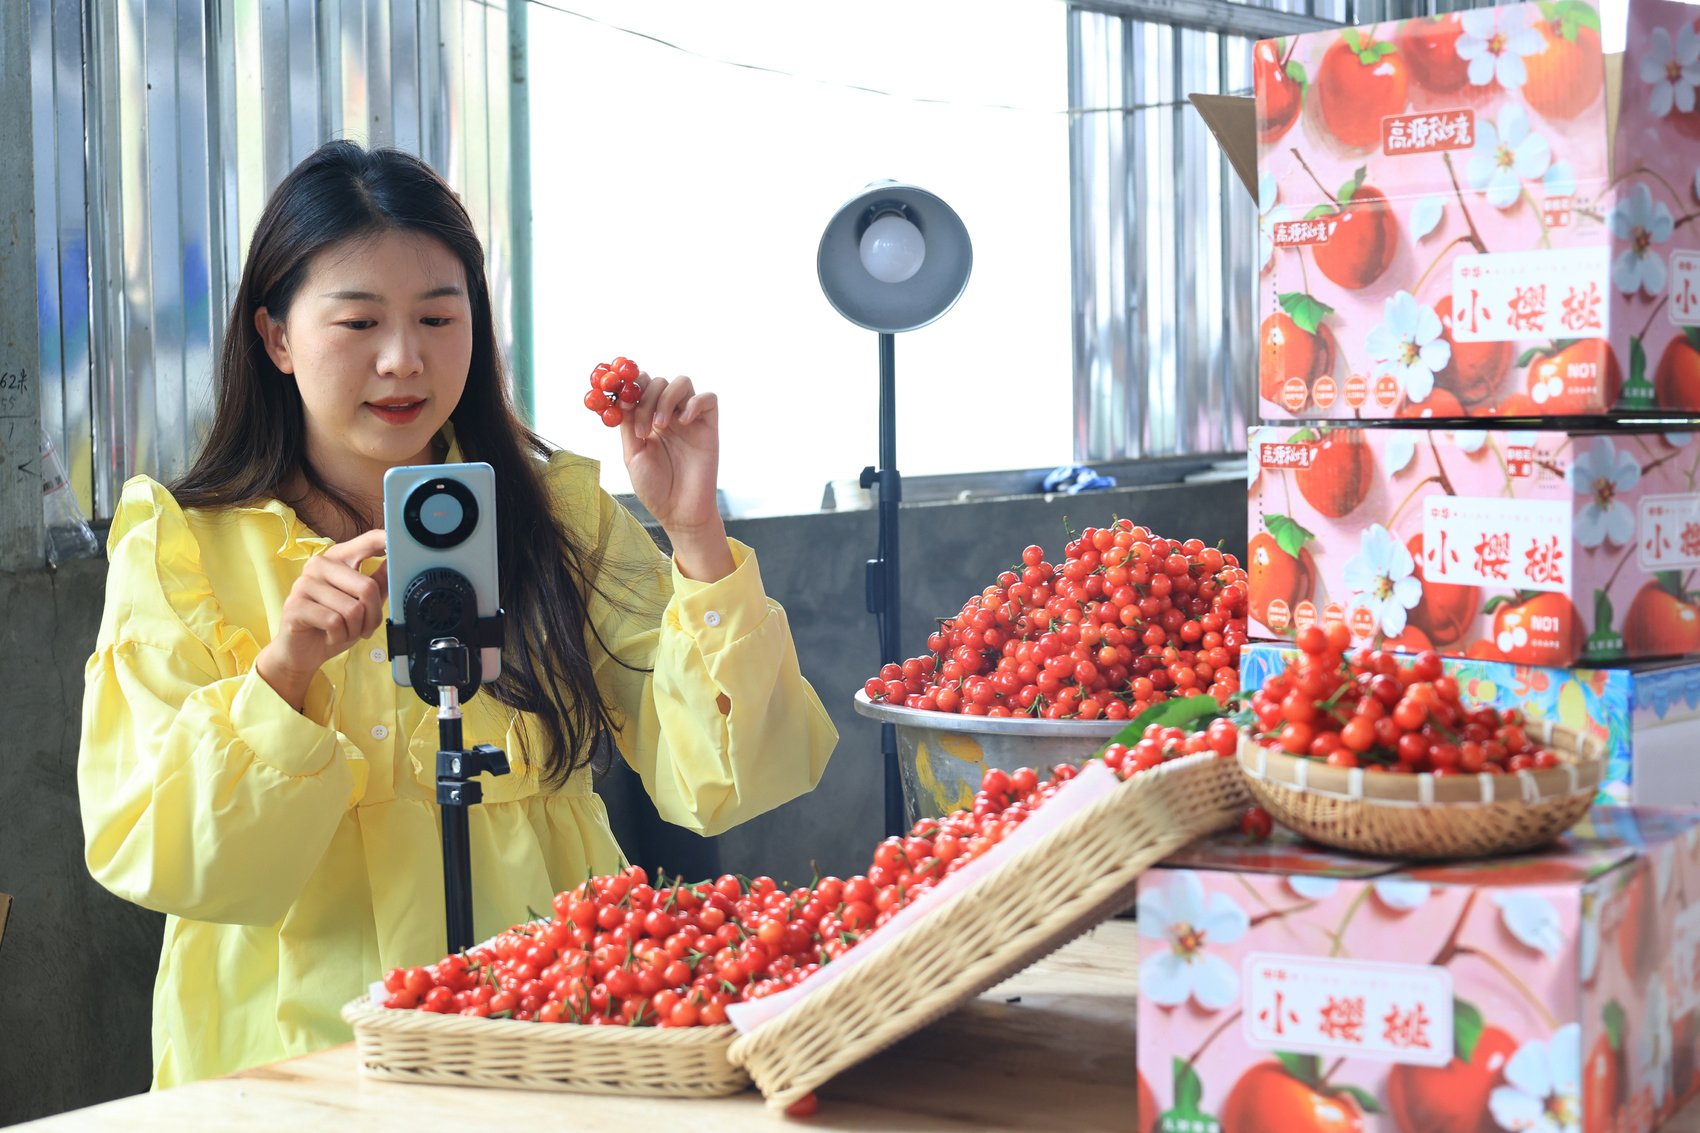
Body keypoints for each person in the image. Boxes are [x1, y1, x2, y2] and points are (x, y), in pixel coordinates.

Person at [76, 140, 838, 1088]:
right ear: (275, 335)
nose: (405, 360)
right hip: (292, 1053)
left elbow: (730, 775)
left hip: (549, 1012)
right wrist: (284, 675)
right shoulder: (185, 545)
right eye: (358, 321)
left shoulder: (558, 510)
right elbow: (164, 854)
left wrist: (694, 534)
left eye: (440, 315)